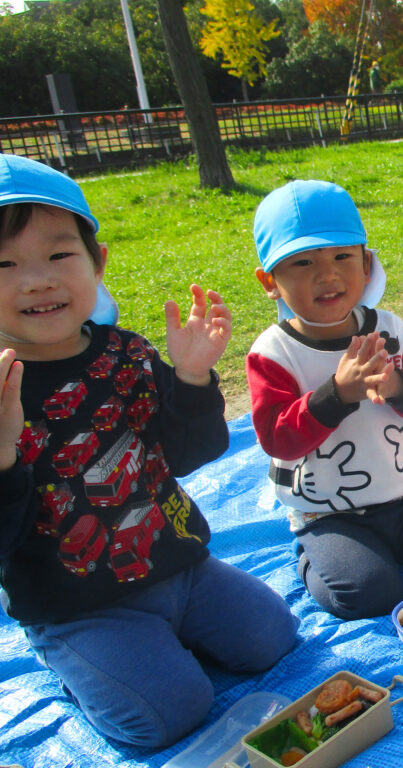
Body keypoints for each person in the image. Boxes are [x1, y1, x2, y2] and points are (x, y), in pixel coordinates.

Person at [0, 154, 297, 748]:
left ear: (97, 262)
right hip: (78, 603)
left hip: (180, 566)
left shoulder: (124, 354)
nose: (37, 280)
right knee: (170, 716)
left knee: (274, 639)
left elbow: (191, 451)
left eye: (59, 255)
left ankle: (155, 646)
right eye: (4, 265)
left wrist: (189, 380)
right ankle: (76, 661)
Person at [246, 179, 403, 620]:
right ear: (270, 281)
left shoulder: (390, 330)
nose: (327, 275)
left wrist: (399, 387)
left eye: (342, 256)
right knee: (366, 595)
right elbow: (277, 439)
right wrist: (336, 395)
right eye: (302, 263)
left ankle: (389, 545)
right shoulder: (274, 353)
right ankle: (312, 549)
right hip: (330, 512)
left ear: (366, 263)